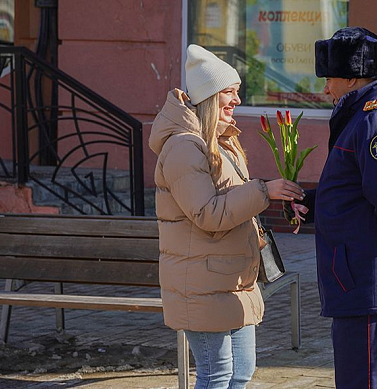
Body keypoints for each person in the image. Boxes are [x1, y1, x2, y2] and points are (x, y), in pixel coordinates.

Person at [149, 44, 304, 389]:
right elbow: (207, 213)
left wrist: (273, 198)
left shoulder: (222, 141)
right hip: (203, 284)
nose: (236, 101)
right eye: (229, 94)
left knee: (241, 373)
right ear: (208, 98)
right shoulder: (183, 147)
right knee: (216, 376)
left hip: (234, 279)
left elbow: (234, 201)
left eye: (237, 93)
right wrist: (263, 190)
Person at [286, 27, 377, 388]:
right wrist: (311, 202)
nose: (325, 89)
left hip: (371, 278)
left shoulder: (376, 119)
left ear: (353, 77)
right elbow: (357, 186)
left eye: (330, 79)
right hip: (363, 275)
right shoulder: (363, 116)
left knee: (366, 382)